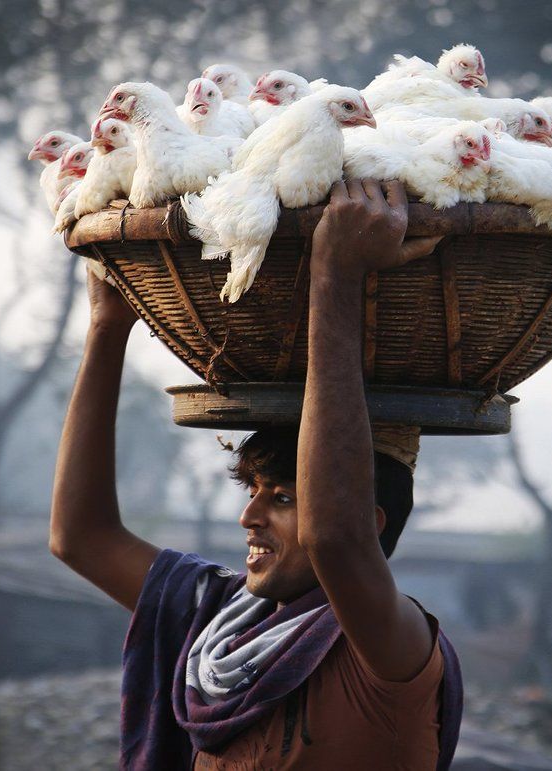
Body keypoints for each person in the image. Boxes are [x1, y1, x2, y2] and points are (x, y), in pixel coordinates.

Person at [50, 179, 461, 769]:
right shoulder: (215, 622)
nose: (249, 516)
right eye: (254, 491)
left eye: (284, 496)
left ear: (371, 524)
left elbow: (335, 540)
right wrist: (107, 328)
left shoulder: (390, 647)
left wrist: (335, 278)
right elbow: (79, 539)